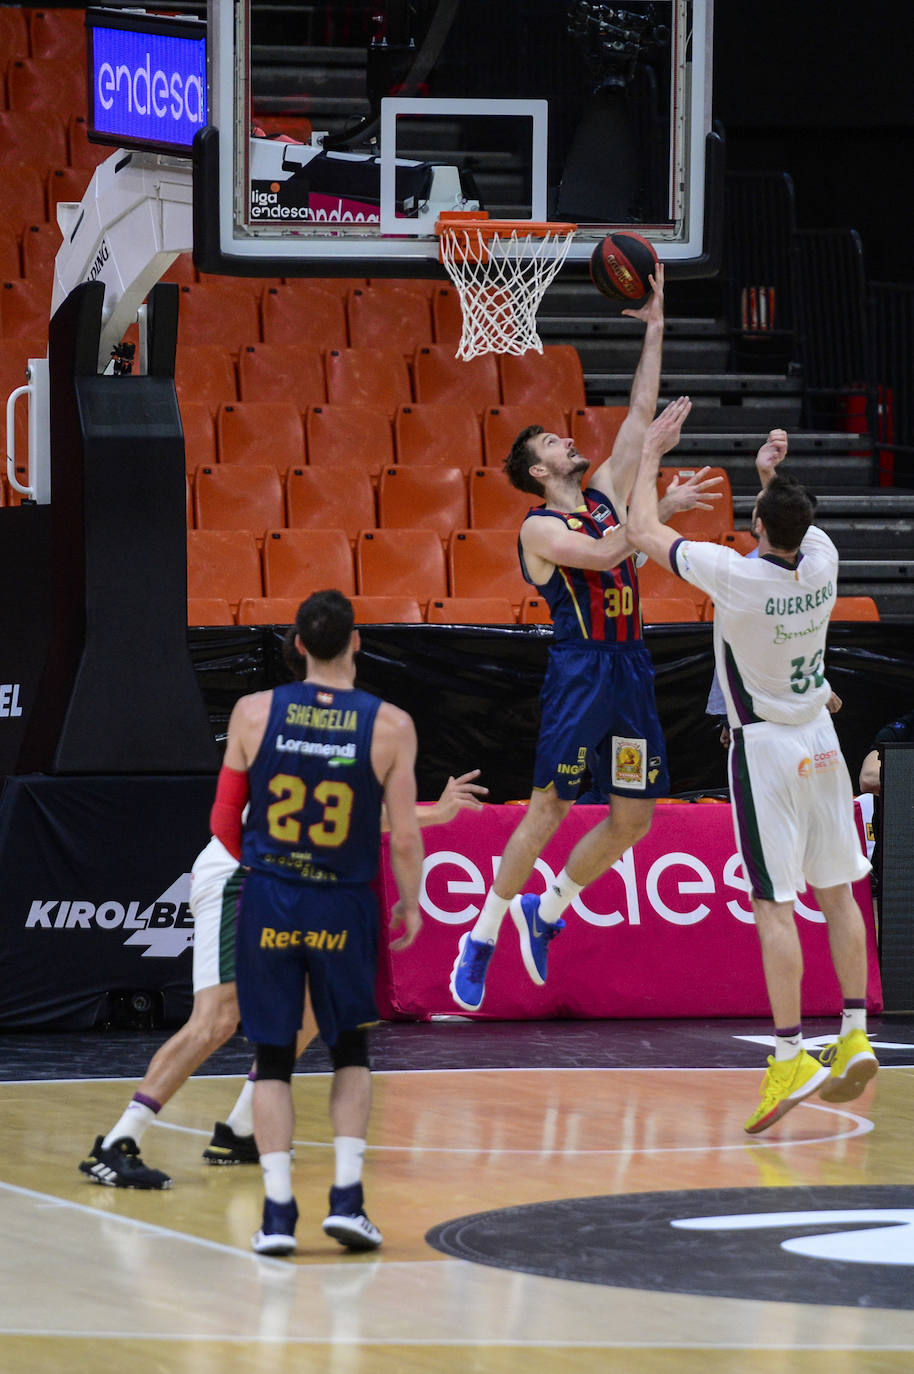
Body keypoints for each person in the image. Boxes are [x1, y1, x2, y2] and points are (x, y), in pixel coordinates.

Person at [79, 631, 485, 1193]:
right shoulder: (275, 720)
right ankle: (118, 1141)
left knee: (318, 1004)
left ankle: (243, 1129)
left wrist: (432, 816)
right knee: (218, 1019)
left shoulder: (341, 724)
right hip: (241, 873)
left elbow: (346, 815)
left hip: (282, 876)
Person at [449, 264, 723, 1011]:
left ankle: (551, 907)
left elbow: (639, 415)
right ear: (538, 472)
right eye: (552, 443)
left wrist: (657, 326)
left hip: (631, 668)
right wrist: (657, 501)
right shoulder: (541, 527)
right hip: (582, 673)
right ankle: (481, 937)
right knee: (549, 808)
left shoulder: (602, 496)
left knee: (635, 814)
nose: (568, 441)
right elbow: (610, 555)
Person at [627, 403, 878, 1133]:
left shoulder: (737, 577)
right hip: (823, 745)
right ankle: (855, 1030)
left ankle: (790, 1052)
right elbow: (795, 519)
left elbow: (642, 533)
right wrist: (774, 477)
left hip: (765, 748)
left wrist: (650, 452)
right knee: (837, 893)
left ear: (758, 526)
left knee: (773, 905)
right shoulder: (824, 563)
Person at [219, 589, 424, 1256]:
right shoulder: (390, 723)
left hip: (272, 900)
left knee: (273, 1057)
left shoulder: (252, 712)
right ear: (356, 643)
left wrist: (265, 867)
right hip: (343, 902)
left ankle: (278, 1215)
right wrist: (410, 901)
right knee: (351, 1050)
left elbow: (224, 821)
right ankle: (347, 1201)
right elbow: (402, 837)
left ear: (299, 645)